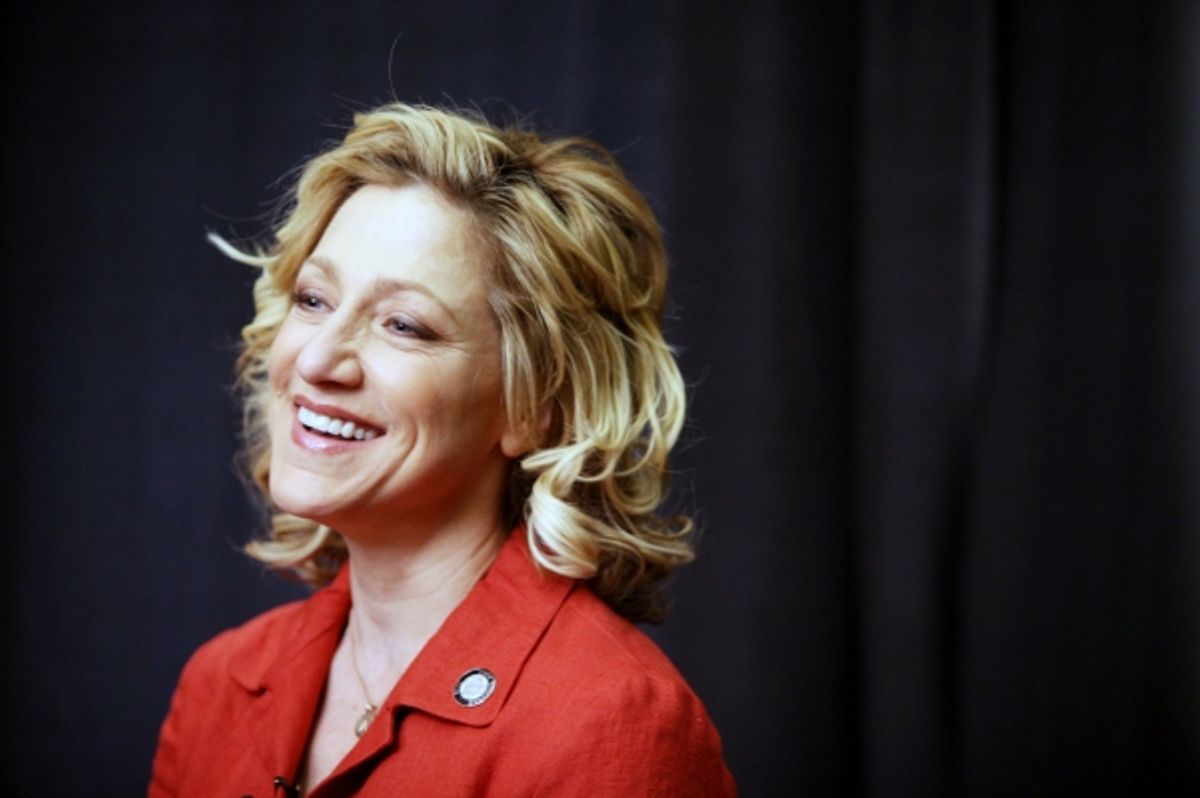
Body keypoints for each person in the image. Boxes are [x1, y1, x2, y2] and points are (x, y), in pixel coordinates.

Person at [149, 102, 736, 797]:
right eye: (313, 299)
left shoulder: (613, 722)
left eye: (404, 324)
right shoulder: (221, 681)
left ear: (536, 407)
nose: (318, 360)